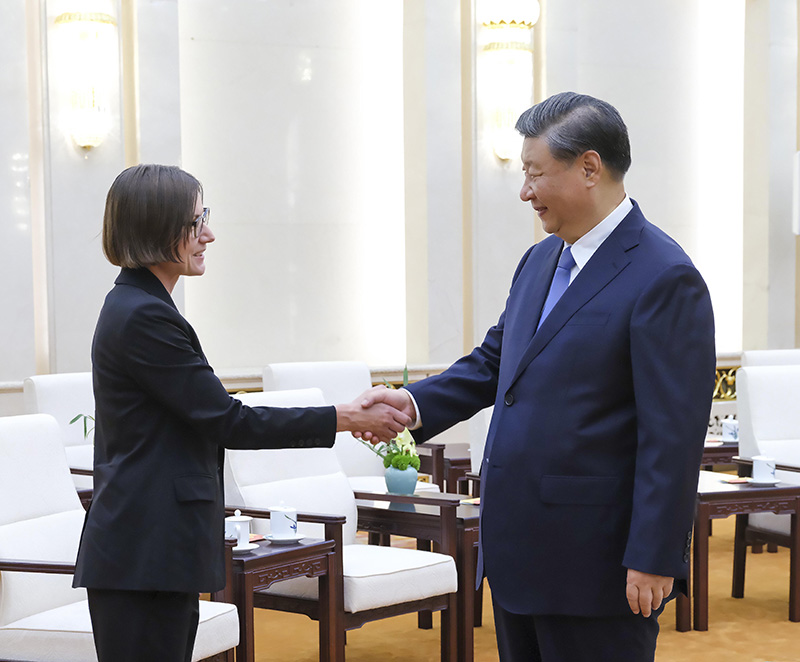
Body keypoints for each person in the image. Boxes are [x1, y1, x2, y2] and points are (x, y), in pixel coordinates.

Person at [358, 92, 716, 661]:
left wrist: (654, 555)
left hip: (597, 565)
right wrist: (412, 404)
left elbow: (672, 438)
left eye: (534, 173)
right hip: (517, 554)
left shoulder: (664, 276)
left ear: (589, 167)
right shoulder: (540, 261)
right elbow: (494, 362)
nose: (525, 192)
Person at [72, 163, 410, 662]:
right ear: (156, 229)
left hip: (150, 550)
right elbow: (229, 421)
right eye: (196, 223)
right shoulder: (143, 315)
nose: (208, 235)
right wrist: (345, 417)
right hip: (144, 552)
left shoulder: (139, 305)